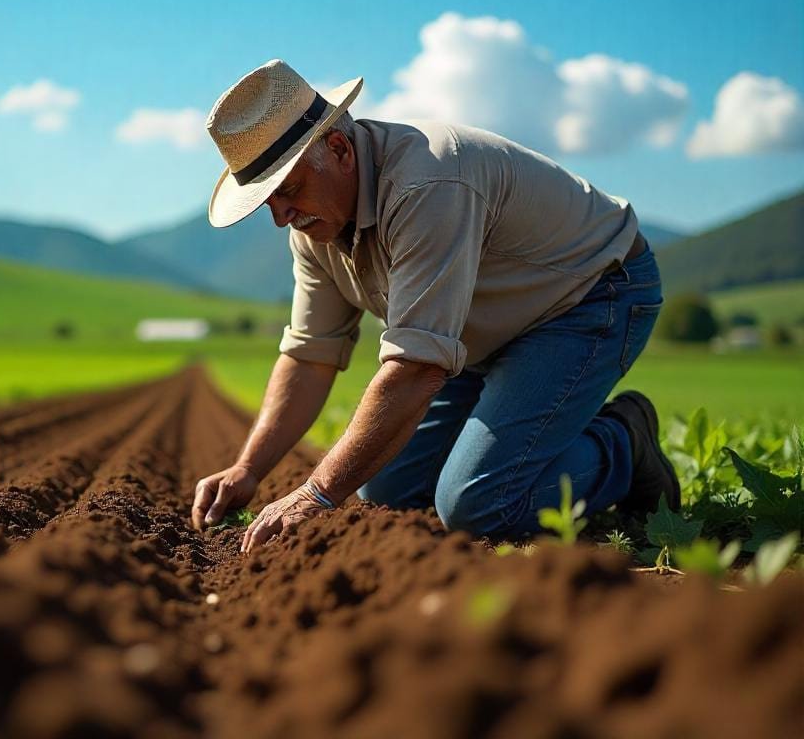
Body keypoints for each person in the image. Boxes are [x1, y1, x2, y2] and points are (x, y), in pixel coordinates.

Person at [189, 59, 680, 553]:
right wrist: (248, 469)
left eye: (288, 191)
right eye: (268, 201)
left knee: (478, 503)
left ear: (338, 149)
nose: (281, 218)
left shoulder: (428, 184)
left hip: (590, 295)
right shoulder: (315, 227)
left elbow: (417, 369)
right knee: (388, 491)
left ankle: (624, 442)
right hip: (477, 329)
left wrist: (316, 494)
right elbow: (310, 355)